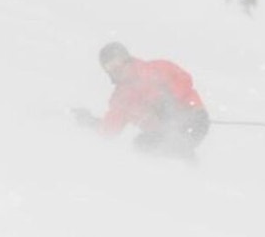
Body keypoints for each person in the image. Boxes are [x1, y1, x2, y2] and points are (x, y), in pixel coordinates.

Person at [75, 42, 210, 158]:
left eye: (118, 62)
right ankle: (185, 167)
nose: (117, 69)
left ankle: (182, 154)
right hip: (163, 133)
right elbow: (109, 129)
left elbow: (184, 79)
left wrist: (169, 100)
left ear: (127, 59)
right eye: (110, 67)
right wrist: (90, 121)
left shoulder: (156, 68)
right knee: (141, 144)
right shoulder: (121, 98)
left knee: (172, 141)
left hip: (192, 118)